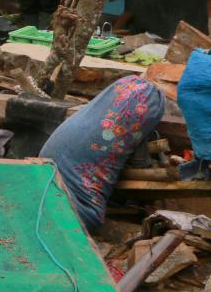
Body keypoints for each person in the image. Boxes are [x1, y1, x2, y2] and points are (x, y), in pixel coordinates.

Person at [39, 75, 164, 230]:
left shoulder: (95, 111)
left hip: (38, 182)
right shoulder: (144, 109)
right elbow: (141, 163)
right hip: (73, 206)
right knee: (91, 217)